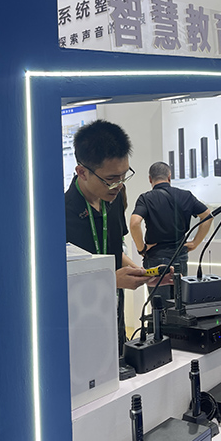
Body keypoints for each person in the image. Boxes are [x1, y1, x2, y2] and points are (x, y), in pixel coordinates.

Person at [65, 119, 157, 351]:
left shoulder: (114, 200)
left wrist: (144, 274)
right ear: (82, 172)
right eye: (111, 179)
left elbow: (114, 252)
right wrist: (111, 280)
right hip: (78, 327)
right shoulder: (59, 214)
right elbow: (56, 281)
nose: (119, 185)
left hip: (114, 319)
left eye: (124, 175)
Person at [130, 161, 212, 298]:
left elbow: (134, 223)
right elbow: (207, 216)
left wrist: (141, 248)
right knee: (180, 302)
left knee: (159, 305)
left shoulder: (145, 198)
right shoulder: (186, 195)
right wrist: (195, 243)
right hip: (180, 255)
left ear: (150, 179)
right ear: (169, 177)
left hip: (155, 257)